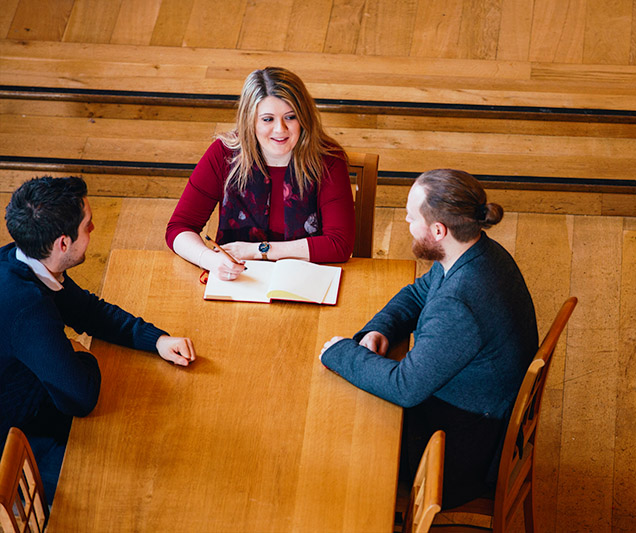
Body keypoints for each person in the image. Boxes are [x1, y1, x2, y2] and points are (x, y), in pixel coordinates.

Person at [319, 169, 539, 508]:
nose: (406, 222)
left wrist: (338, 352)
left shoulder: (460, 305)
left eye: (411, 218)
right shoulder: (477, 252)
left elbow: (404, 387)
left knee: (336, 444)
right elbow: (420, 291)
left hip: (458, 452)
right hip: (473, 409)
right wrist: (380, 329)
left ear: (438, 231)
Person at [1, 176, 196, 505]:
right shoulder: (28, 308)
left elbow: (87, 311)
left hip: (27, 393)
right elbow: (80, 398)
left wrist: (157, 340)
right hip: (16, 430)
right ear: (63, 243)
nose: (94, 229)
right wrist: (80, 353)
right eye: (87, 226)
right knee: (129, 485)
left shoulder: (19, 259)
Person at [166, 66, 355, 281]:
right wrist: (211, 260)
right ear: (250, 120)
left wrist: (258, 250)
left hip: (305, 281)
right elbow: (179, 228)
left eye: (290, 117)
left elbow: (339, 244)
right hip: (240, 280)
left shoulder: (328, 159)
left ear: (304, 118)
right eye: (267, 119)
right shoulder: (223, 155)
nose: (280, 129)